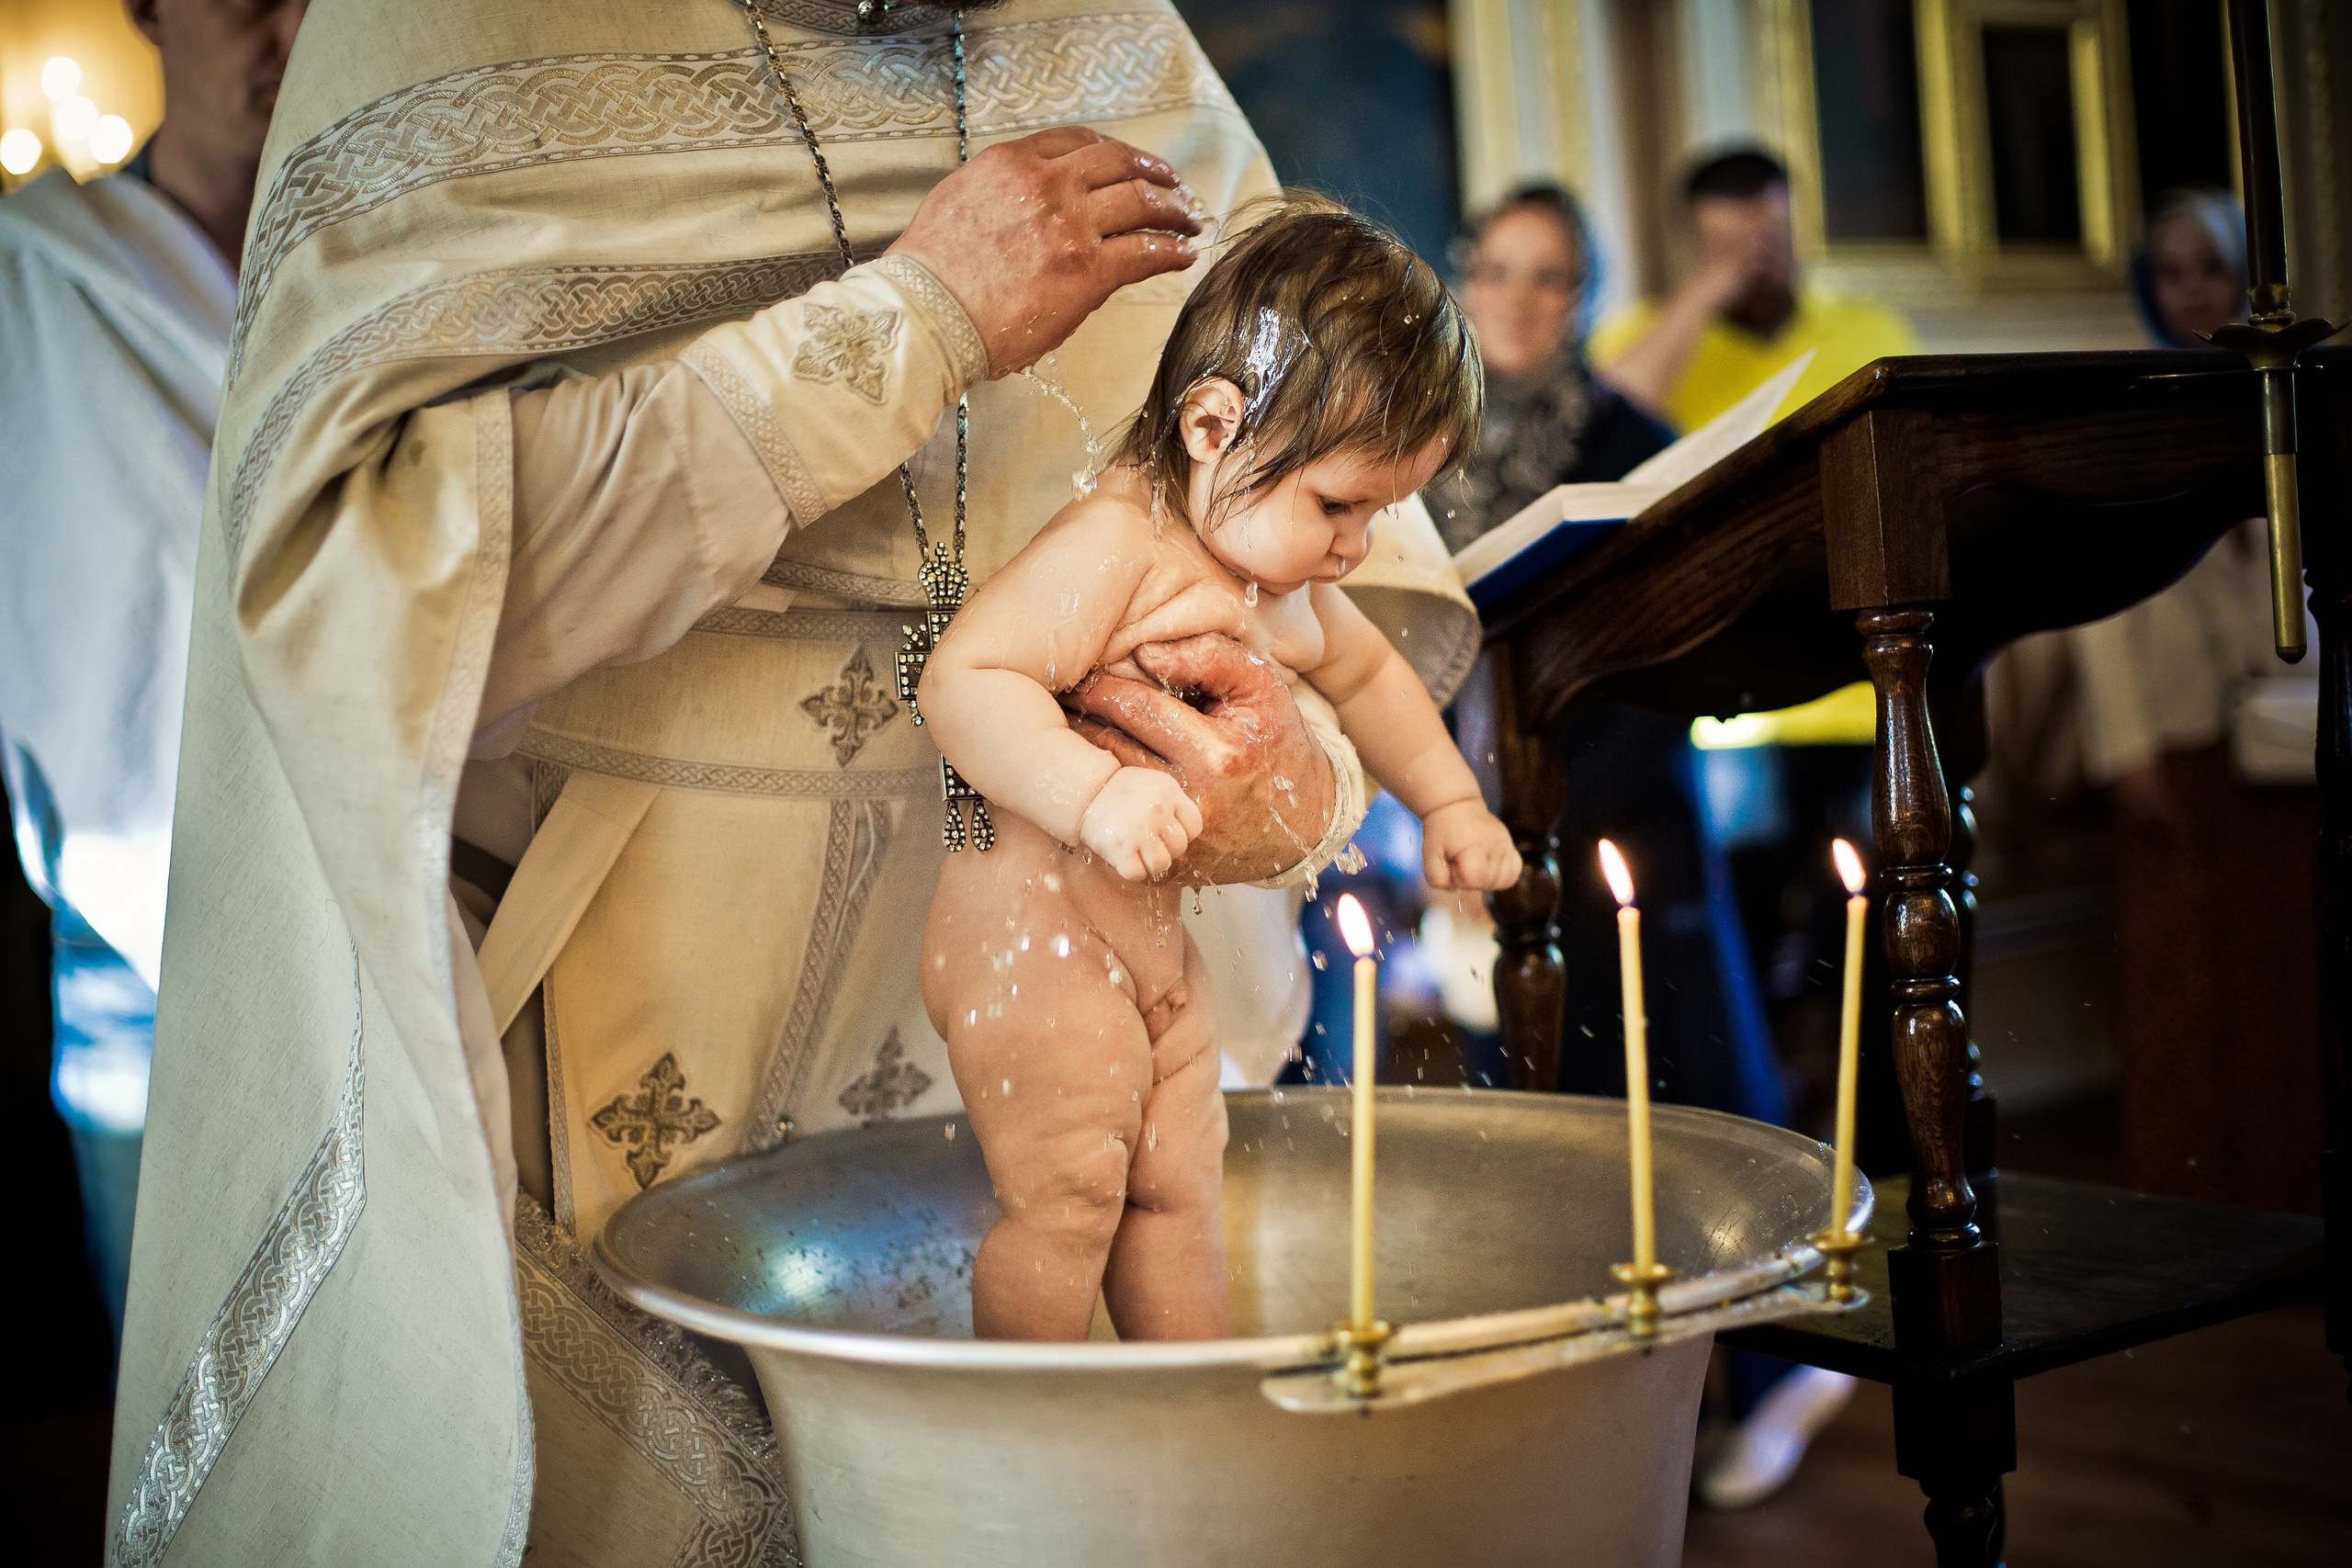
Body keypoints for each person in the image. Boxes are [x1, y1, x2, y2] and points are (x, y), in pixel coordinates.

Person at [110, 3, 1476, 1562]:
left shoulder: (1106, 39)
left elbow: (1346, 627)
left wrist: (1274, 781)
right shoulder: (457, 31)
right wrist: (916, 323)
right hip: (625, 991)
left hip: (1081, 950)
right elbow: (367, 593)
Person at [922, 199, 1517, 1343]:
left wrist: (1449, 798)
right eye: (1338, 504)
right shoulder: (1118, 547)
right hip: (1026, 937)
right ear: (1209, 425)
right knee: (1071, 1195)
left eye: (1382, 512)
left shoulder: (1280, 584)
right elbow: (965, 680)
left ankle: (1183, 1403)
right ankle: (1021, 1431)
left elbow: (1375, 680)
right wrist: (1090, 790)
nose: (1356, 546)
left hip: (1152, 948)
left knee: (1180, 1184)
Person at [0, 0, 308, 1340]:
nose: (285, 34)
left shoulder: (385, 274)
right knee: (170, 1404)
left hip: (386, 902)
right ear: (150, 10)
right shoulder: (41, 280)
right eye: (244, 1)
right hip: (138, 949)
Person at [2067, 186, 2323, 1213]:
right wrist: (2124, 746)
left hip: (2281, 729)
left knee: (2283, 972)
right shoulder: (2124, 407)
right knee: (2181, 976)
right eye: (2168, 272)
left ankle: (2287, 1183)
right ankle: (2188, 1193)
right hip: (2169, 728)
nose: (2189, 291)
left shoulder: (2286, 398)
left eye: (2208, 268)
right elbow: (2098, 604)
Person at [1589, 147, 1917, 434]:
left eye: (1771, 240)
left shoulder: (1871, 325)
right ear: (1689, 248)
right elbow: (1608, 421)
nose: (1754, 265)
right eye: (1727, 248)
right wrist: (1708, 290)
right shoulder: (1639, 331)